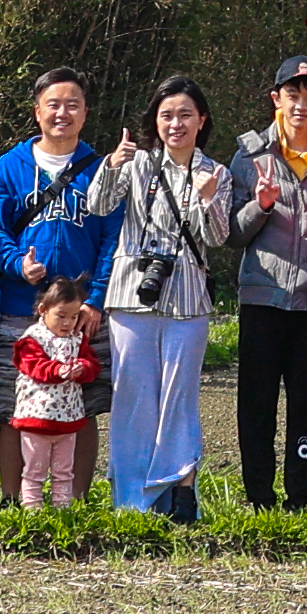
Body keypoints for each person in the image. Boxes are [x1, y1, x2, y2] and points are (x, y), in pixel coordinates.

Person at [230, 19, 307, 511]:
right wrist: (259, 206)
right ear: (275, 98)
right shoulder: (249, 156)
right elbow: (231, 235)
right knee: (256, 406)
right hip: (261, 298)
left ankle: (298, 499)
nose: (301, 103)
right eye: (292, 93)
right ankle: (259, 497)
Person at [95, 73, 232, 520]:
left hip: (188, 298)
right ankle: (131, 502)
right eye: (167, 115)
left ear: (202, 120)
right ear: (155, 120)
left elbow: (216, 235)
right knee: (132, 398)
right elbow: (98, 205)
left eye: (185, 115)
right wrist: (113, 163)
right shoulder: (137, 165)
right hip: (133, 292)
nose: (176, 124)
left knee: (179, 398)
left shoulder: (217, 172)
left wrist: (207, 200)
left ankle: (179, 493)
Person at [0, 65, 106, 509]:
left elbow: (113, 236)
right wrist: (16, 264)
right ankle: (14, 500)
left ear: (85, 113)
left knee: (83, 406)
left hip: (80, 312)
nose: (62, 112)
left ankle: (77, 501)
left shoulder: (99, 168)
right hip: (20, 305)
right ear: (37, 111)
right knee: (17, 408)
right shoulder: (11, 166)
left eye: (72, 104)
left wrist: (97, 299)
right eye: (53, 104)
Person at [10, 291, 108, 507]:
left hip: (67, 419)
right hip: (36, 418)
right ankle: (32, 508)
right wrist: (60, 370)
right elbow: (33, 366)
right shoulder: (31, 338)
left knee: (64, 470)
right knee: (34, 470)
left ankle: (63, 507)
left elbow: (93, 365)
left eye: (73, 317)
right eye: (61, 316)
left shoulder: (77, 339)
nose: (67, 323)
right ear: (43, 310)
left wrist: (83, 369)